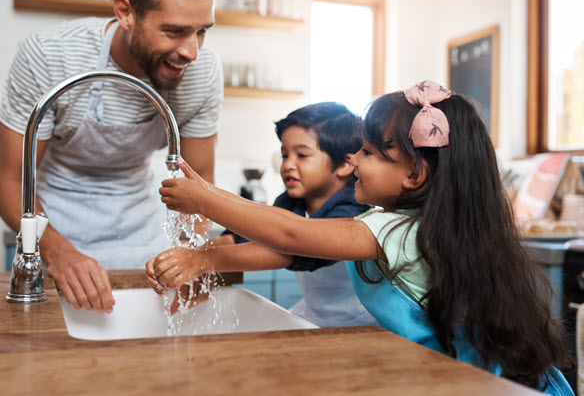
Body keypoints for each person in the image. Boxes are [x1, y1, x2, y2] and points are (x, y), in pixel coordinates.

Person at [153, 81, 574, 394]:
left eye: (370, 152)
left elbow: (287, 234)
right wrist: (206, 214)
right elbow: (276, 221)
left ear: (413, 174)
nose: (355, 159)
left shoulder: (390, 228)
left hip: (485, 382)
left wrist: (205, 200)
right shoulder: (414, 222)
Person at [0, 0, 222, 314]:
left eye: (201, 32)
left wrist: (189, 252)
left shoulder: (202, 72)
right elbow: (10, 183)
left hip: (142, 237)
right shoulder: (50, 56)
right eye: (175, 31)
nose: (191, 51)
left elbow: (201, 183)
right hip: (55, 230)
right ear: (125, 12)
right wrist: (57, 253)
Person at [146, 102, 376, 327]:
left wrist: (202, 259)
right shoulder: (291, 201)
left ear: (346, 164)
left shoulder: (353, 207)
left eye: (302, 155)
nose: (287, 165)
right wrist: (184, 257)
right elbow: (244, 235)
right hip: (314, 315)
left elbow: (289, 248)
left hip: (363, 324)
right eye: (285, 155)